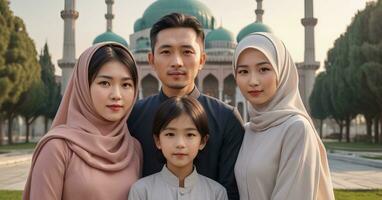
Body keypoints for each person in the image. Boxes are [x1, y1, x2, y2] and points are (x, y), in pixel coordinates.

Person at [128, 12, 244, 200]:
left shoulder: (226, 119)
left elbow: (231, 191)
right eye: (166, 52)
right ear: (151, 60)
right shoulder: (133, 116)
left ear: (202, 60)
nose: (177, 62)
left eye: (187, 51)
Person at [23, 42, 142, 200]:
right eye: (104, 83)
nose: (117, 95)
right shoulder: (58, 149)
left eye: (126, 84)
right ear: (84, 86)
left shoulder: (133, 148)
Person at [233, 32, 335, 200]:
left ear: (282, 71)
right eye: (243, 71)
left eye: (264, 69)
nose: (253, 81)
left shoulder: (296, 129)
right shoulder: (248, 131)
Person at [128, 96, 228, 200]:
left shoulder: (216, 193)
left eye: (190, 135)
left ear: (202, 141)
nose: (180, 144)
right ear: (158, 140)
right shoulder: (142, 191)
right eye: (170, 134)